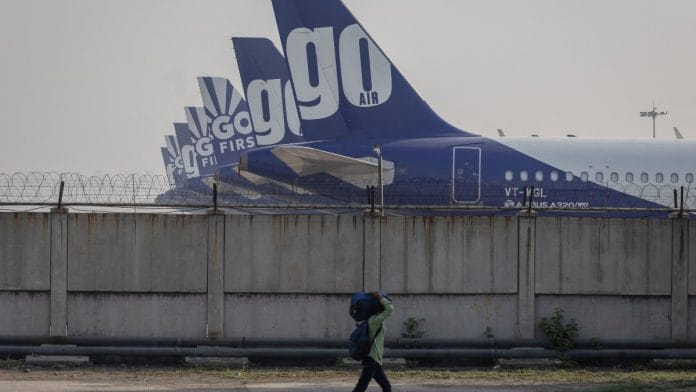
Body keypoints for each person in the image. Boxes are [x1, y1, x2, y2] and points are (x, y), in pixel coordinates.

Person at [353, 291, 394, 392]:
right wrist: (380, 297)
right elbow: (390, 309)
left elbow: (388, 308)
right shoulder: (375, 321)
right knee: (361, 387)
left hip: (375, 360)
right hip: (372, 359)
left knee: (386, 386)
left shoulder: (376, 319)